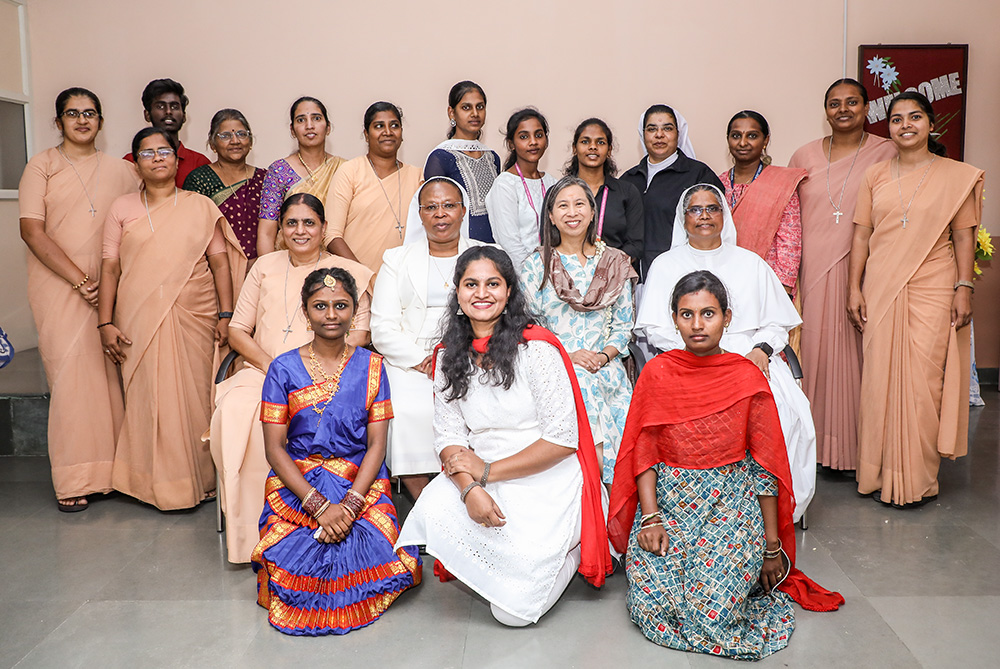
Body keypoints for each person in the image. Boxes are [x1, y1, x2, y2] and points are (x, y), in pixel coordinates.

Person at [609, 270, 843, 659]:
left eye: (708, 314)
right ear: (674, 319)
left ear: (727, 318)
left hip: (730, 506)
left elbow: (765, 467)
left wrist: (771, 547)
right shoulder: (658, 373)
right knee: (653, 607)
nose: (697, 325)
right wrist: (649, 518)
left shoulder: (746, 376)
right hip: (670, 505)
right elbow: (644, 450)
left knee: (713, 615)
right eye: (686, 314)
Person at [396, 246, 612, 626]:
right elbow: (447, 436)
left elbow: (563, 439)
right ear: (458, 295)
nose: (482, 293)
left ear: (509, 291)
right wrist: (469, 489)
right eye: (471, 284)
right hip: (482, 471)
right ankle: (512, 559)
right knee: (433, 510)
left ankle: (570, 548)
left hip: (546, 474)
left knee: (510, 615)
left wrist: (485, 473)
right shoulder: (449, 354)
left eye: (493, 283)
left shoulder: (536, 348)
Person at [253, 267, 421, 635]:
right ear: (305, 311)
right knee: (297, 558)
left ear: (354, 311)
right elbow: (274, 449)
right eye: (321, 306)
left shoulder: (372, 366)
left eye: (341, 306)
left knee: (375, 551)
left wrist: (348, 506)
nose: (331, 315)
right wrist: (318, 506)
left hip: (358, 482)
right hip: (298, 485)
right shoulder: (282, 369)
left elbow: (377, 444)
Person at [634, 184, 816, 520]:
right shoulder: (665, 264)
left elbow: (777, 324)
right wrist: (696, 351)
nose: (704, 216)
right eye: (695, 209)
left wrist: (762, 350)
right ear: (683, 218)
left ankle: (770, 513)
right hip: (688, 359)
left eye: (712, 208)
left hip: (749, 358)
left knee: (788, 414)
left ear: (724, 216)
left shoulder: (751, 263)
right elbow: (656, 329)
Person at [210, 193, 374, 563]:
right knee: (237, 411)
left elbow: (361, 336)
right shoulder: (264, 266)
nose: (300, 231)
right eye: (292, 223)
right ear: (280, 229)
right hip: (263, 370)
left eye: (309, 223)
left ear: (323, 228)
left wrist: (303, 373)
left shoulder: (350, 272)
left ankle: (318, 518)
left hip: (332, 374)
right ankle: (251, 535)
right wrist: (277, 370)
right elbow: (237, 330)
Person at [848, 92, 983, 508]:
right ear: (886, 127)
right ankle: (878, 473)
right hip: (882, 284)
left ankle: (919, 479)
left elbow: (963, 236)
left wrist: (965, 285)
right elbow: (861, 235)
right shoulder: (874, 176)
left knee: (925, 383)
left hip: (935, 283)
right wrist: (854, 287)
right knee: (879, 381)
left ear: (930, 123)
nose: (905, 125)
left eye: (915, 117)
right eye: (896, 119)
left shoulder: (954, 176)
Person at [99, 127, 245, 510]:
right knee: (149, 400)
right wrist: (105, 322)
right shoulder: (122, 208)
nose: (158, 158)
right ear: (136, 164)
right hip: (137, 317)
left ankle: (203, 479)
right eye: (148, 153)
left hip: (196, 315)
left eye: (165, 151)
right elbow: (110, 267)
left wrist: (227, 313)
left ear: (177, 159)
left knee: (197, 399)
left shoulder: (199, 205)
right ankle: (153, 485)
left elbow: (220, 261)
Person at [18, 87, 140, 512]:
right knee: (70, 379)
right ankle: (74, 477)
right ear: (58, 122)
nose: (82, 120)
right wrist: (78, 280)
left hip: (112, 286)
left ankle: (116, 473)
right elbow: (32, 231)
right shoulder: (42, 167)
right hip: (59, 285)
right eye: (73, 114)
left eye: (90, 113)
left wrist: (107, 283)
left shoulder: (124, 172)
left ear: (101, 122)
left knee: (111, 378)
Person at [789, 79, 897, 471]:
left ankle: (861, 452)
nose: (843, 109)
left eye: (852, 102)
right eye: (835, 103)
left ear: (868, 107)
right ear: (826, 111)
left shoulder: (886, 153)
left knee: (860, 359)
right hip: (813, 270)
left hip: (866, 269)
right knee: (815, 356)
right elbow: (790, 219)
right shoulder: (803, 155)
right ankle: (816, 454)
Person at [371, 177, 483, 501]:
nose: (440, 214)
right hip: (412, 359)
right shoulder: (397, 259)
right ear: (419, 214)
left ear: (463, 211)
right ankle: (428, 507)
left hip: (475, 351)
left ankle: (470, 496)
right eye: (431, 207)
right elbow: (382, 327)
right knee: (406, 410)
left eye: (449, 205)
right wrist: (422, 361)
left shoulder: (488, 255)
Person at [520, 176, 636, 483]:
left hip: (607, 369)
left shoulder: (615, 262)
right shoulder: (536, 265)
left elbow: (624, 324)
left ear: (592, 211)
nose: (572, 212)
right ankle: (595, 500)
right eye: (563, 205)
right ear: (551, 215)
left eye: (579, 204)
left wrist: (602, 356)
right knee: (581, 388)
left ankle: (614, 504)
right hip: (557, 368)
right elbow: (528, 325)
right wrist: (568, 356)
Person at [621, 104, 722, 279]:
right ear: (643, 134)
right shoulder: (628, 180)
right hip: (635, 280)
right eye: (652, 129)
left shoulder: (698, 175)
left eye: (667, 128)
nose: (659, 135)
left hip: (684, 276)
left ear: (678, 133)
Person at [326, 102, 422, 274]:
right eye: (379, 126)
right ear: (366, 134)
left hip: (403, 280)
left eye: (394, 125)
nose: (388, 132)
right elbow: (332, 236)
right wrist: (364, 277)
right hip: (354, 282)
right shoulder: (350, 172)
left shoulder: (417, 177)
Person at [720, 110, 806, 295]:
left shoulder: (781, 182)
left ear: (765, 140)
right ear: (728, 139)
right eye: (736, 136)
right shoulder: (718, 184)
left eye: (752, 136)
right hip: (724, 281)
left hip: (768, 283)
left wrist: (783, 290)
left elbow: (789, 241)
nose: (743, 143)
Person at [257, 97, 346, 257]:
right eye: (301, 120)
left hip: (335, 264)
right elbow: (266, 233)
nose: (309, 125)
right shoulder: (279, 171)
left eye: (316, 118)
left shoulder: (344, 169)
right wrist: (269, 273)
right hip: (289, 263)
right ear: (292, 130)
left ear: (328, 127)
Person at [183, 109, 266, 262]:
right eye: (225, 136)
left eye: (241, 134)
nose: (235, 141)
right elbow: (193, 232)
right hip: (216, 267)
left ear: (251, 141)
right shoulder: (199, 179)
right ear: (213, 144)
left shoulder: (264, 178)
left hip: (259, 266)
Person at [423, 81, 501, 243]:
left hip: (494, 245)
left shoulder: (492, 157)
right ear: (452, 113)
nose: (475, 113)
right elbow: (434, 212)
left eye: (480, 107)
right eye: (466, 107)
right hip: (458, 247)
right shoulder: (440, 157)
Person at [564, 118, 644, 269]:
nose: (593, 147)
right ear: (574, 148)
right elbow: (550, 239)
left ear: (609, 150)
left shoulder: (627, 192)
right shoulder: (559, 193)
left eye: (600, 142)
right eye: (585, 142)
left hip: (614, 278)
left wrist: (607, 267)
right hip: (567, 277)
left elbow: (635, 245)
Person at [485, 108, 558, 272]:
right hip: (522, 276)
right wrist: (532, 276)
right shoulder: (505, 185)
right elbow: (509, 242)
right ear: (511, 144)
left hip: (554, 274)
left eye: (538, 135)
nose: (533, 142)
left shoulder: (552, 183)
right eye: (524, 137)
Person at [123, 78, 209, 187]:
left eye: (174, 107)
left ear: (184, 116)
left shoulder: (199, 163)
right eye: (160, 106)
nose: (168, 111)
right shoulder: (130, 162)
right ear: (147, 115)